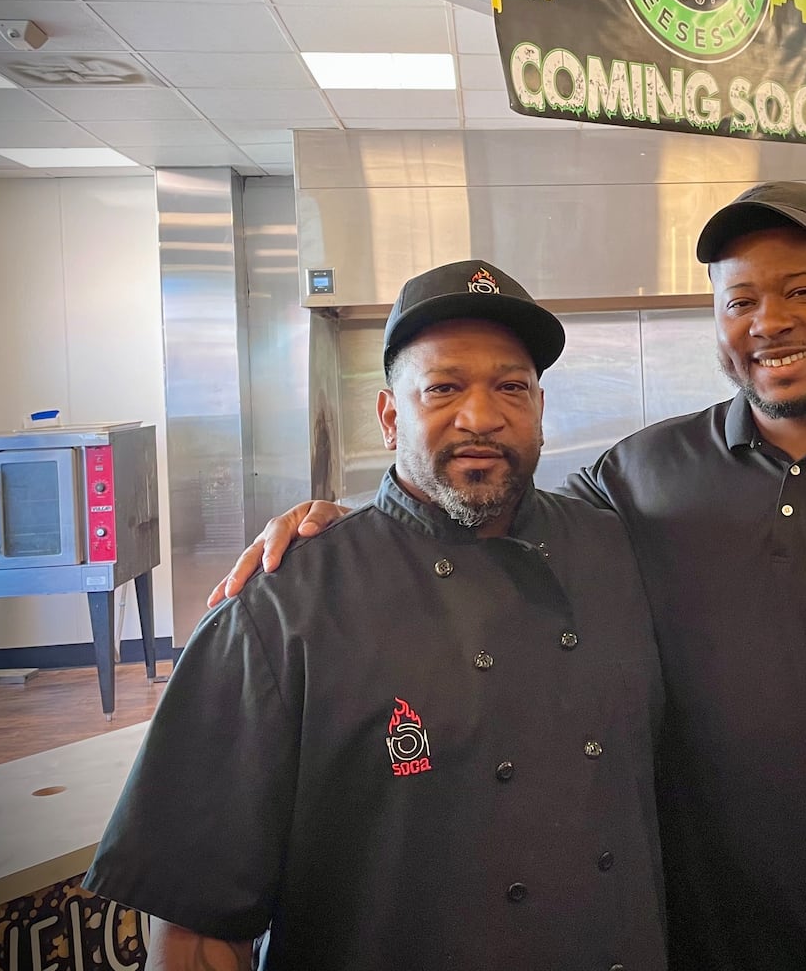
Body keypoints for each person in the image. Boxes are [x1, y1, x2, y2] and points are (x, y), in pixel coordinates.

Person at [218, 183, 806, 971]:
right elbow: (484, 524)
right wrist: (344, 526)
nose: (771, 323)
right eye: (741, 300)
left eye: (803, 291)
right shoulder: (636, 480)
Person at [89, 260, 666, 970]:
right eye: (444, 388)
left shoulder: (618, 551)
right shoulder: (282, 606)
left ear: (540, 408)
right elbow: (197, 929)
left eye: (510, 387)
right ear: (392, 417)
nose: (481, 417)